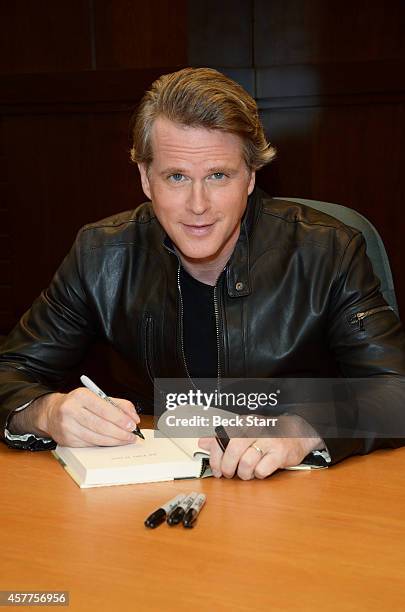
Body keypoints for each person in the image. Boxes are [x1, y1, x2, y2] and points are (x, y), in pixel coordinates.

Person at [1, 67, 404, 480]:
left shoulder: (328, 251)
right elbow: (10, 370)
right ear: (145, 178)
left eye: (218, 176)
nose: (198, 205)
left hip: (296, 499)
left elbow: (397, 391)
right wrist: (44, 412)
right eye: (176, 176)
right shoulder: (101, 255)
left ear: (249, 176)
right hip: (151, 491)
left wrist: (302, 428)